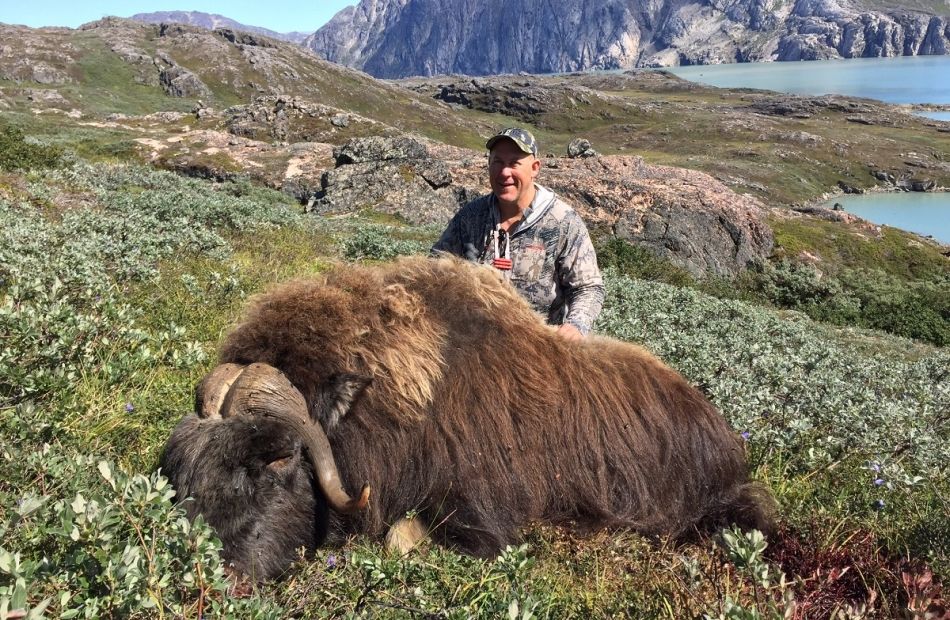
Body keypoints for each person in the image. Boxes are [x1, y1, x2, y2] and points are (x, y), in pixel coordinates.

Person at [432, 127, 604, 341]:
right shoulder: (470, 216)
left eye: (514, 163)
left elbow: (588, 287)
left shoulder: (563, 221)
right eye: (497, 162)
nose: (504, 173)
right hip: (471, 345)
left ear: (534, 168)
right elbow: (436, 269)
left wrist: (576, 326)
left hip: (537, 349)